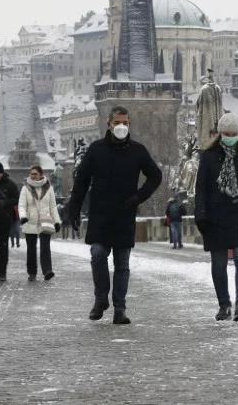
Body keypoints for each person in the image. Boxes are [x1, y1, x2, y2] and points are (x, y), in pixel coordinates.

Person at [66, 106, 162, 325]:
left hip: (124, 214)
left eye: (125, 123)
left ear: (129, 125)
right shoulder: (96, 149)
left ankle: (120, 308)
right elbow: (81, 182)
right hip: (100, 213)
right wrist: (74, 209)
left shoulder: (138, 151)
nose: (122, 127)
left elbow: (155, 176)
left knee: (122, 264)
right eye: (118, 122)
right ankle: (101, 298)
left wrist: (138, 197)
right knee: (98, 254)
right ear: (109, 124)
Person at [195, 113, 238, 322]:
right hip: (216, 218)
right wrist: (200, 215)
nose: (231, 137)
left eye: (234, 134)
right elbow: (201, 189)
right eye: (227, 134)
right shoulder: (208, 156)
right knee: (218, 264)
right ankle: (224, 304)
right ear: (220, 134)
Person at [18, 165, 60, 282]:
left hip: (45, 221)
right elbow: (21, 205)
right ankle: (32, 272)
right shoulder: (25, 188)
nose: (33, 176)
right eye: (31, 174)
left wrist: (57, 221)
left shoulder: (48, 188)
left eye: (35, 174)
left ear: (41, 175)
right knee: (31, 249)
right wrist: (23, 216)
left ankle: (47, 271)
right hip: (30, 220)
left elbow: (53, 206)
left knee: (45, 247)